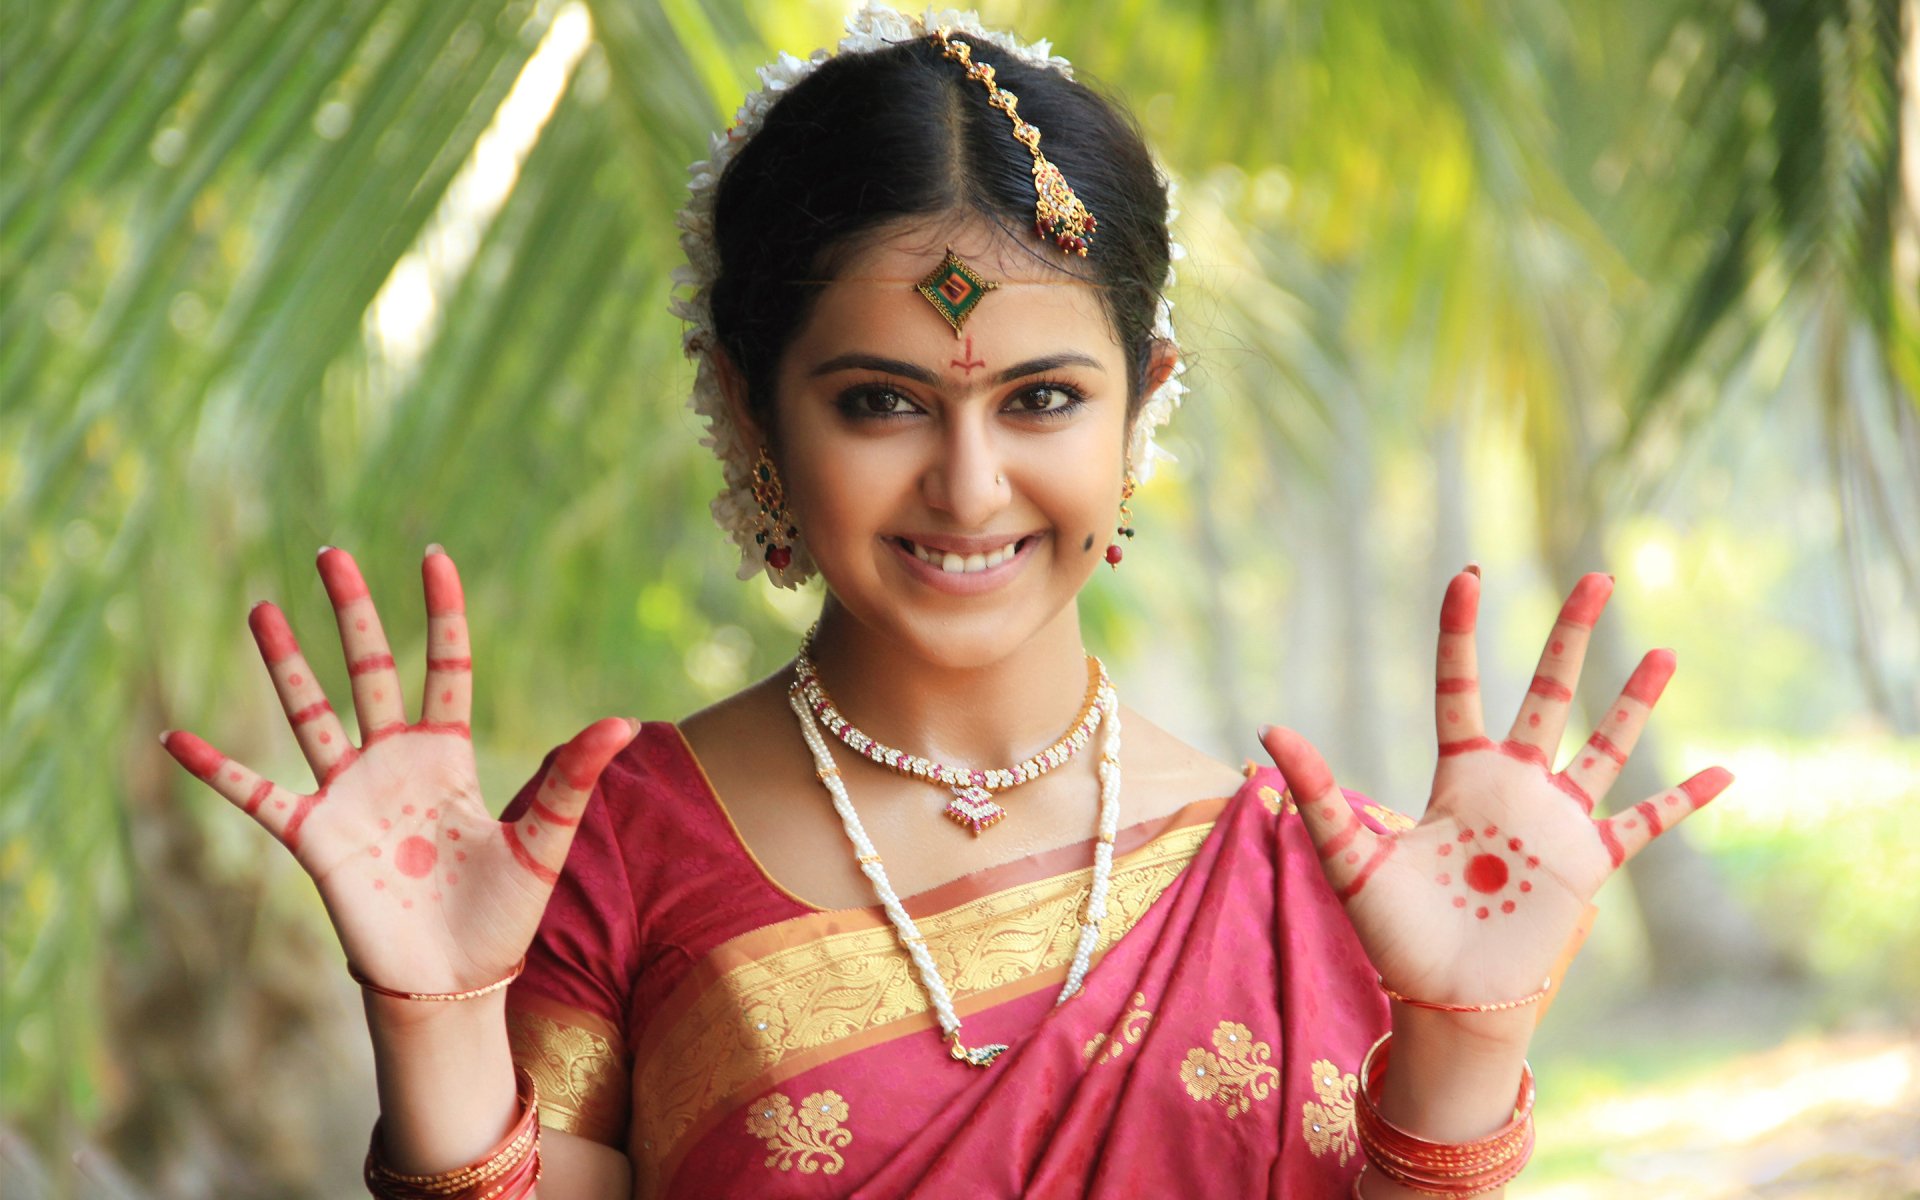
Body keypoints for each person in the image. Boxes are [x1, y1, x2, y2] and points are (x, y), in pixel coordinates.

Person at [160, 6, 1733, 1196]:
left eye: (1042, 400)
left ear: (1143, 408)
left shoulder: (1283, 881)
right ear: (753, 410)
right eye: (880, 402)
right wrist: (434, 1015)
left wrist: (1467, 1039)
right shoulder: (619, 847)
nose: (969, 486)